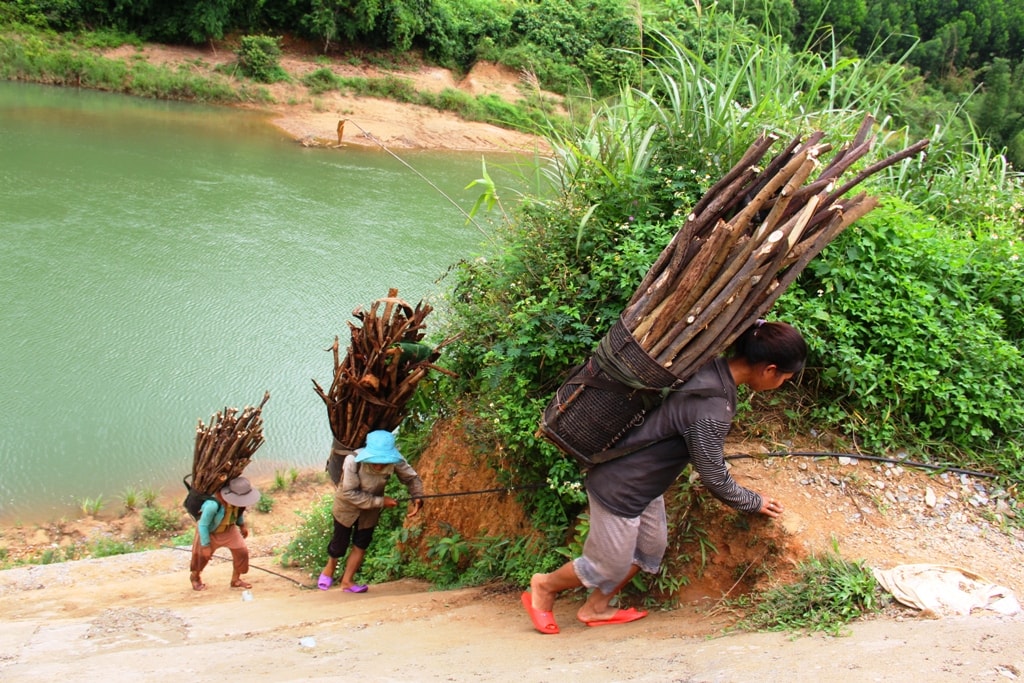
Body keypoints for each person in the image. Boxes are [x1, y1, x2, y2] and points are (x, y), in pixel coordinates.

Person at [523, 320, 806, 634]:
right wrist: (753, 501)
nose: (782, 384)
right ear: (769, 370)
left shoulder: (711, 368)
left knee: (649, 549)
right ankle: (545, 586)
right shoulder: (712, 406)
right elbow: (713, 476)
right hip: (620, 486)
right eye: (786, 378)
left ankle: (597, 607)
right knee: (606, 566)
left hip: (642, 481)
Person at [318, 429, 425, 593]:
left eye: (383, 461)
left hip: (370, 512)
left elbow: (411, 478)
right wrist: (382, 501)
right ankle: (330, 568)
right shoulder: (352, 461)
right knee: (339, 545)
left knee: (361, 543)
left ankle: (347, 581)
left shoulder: (395, 460)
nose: (379, 465)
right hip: (346, 508)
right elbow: (348, 493)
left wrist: (417, 496)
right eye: (375, 460)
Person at [190, 476, 262, 591]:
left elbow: (237, 513)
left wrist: (242, 525)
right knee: (201, 557)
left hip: (229, 529)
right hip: (210, 532)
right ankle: (195, 577)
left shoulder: (237, 504)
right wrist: (205, 545)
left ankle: (236, 580)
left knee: (241, 551)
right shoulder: (212, 505)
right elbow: (202, 525)